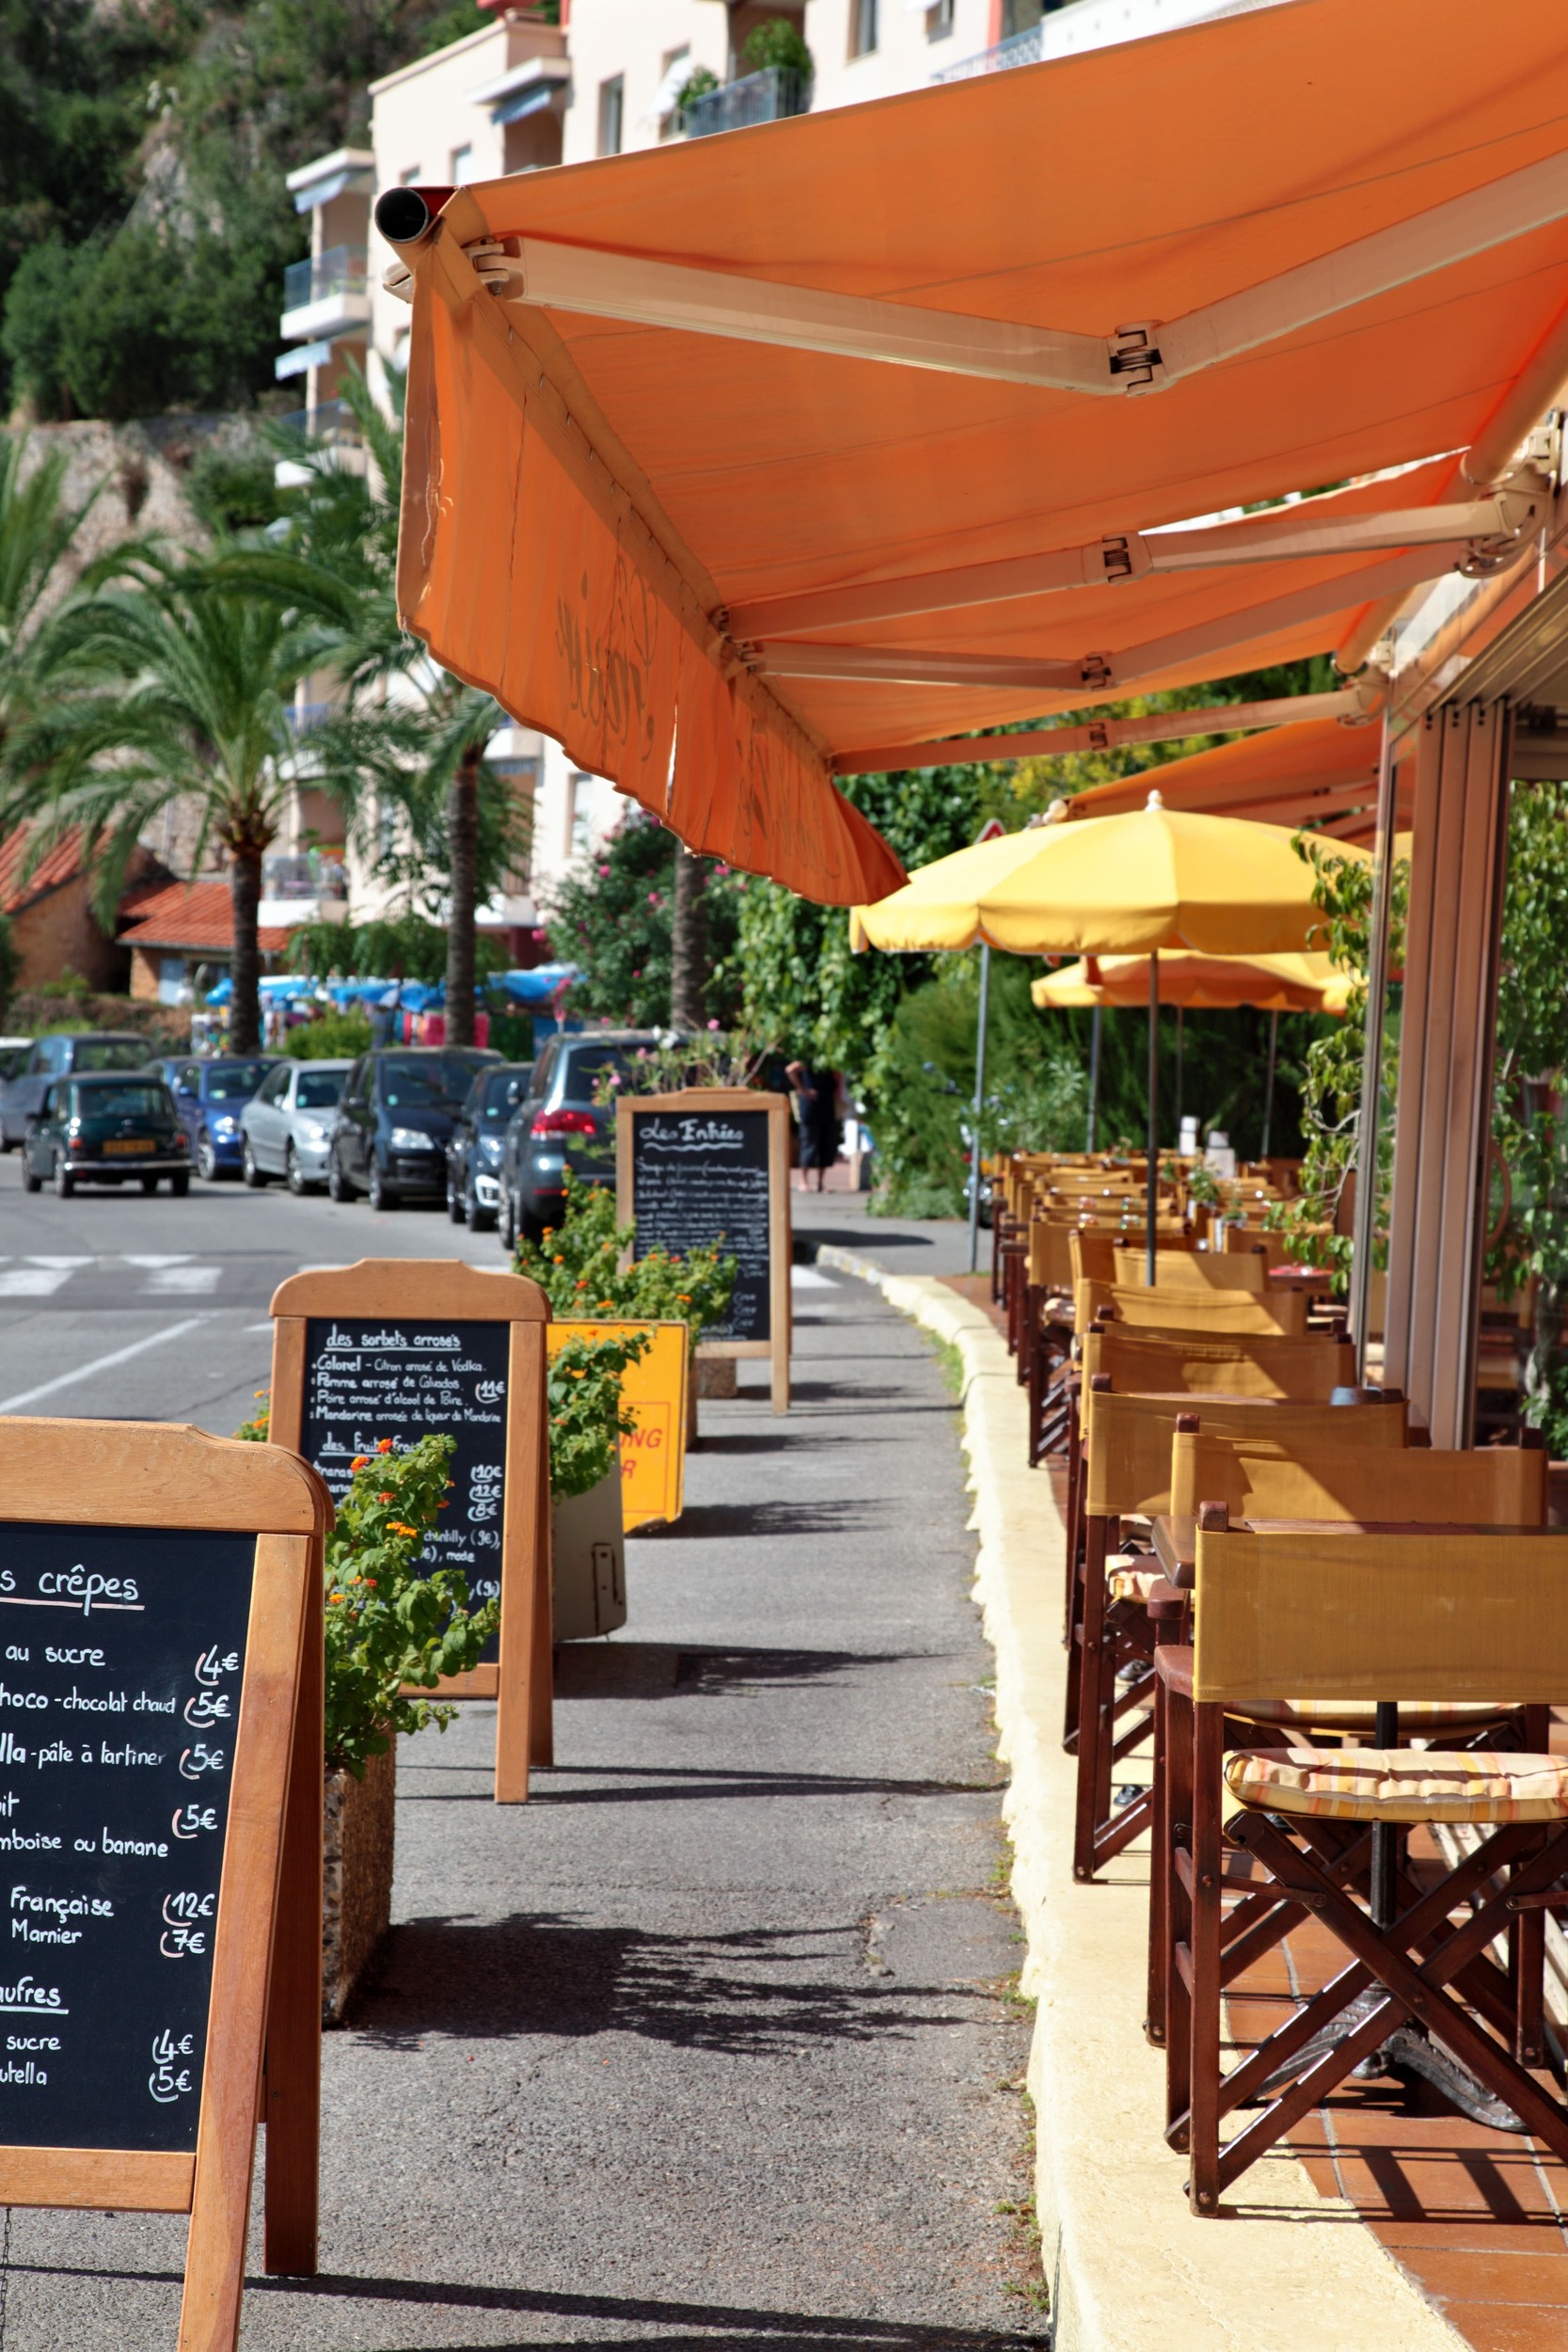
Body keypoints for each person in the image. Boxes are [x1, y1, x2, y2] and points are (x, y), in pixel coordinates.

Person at [784, 1058, 841, 1189]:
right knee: (809, 1143)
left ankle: (820, 1183)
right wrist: (803, 1090)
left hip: (827, 1106)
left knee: (826, 1144)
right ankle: (803, 1181)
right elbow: (790, 1069)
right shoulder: (811, 1060)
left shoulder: (829, 1060)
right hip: (811, 1107)